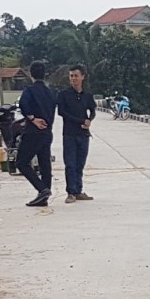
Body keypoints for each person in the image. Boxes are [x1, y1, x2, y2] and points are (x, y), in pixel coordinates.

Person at [16, 60, 56, 206]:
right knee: (45, 163)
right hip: (47, 132)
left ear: (30, 74)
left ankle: (42, 188)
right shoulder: (50, 92)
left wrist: (32, 118)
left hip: (33, 132)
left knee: (21, 162)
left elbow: (23, 105)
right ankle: (43, 196)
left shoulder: (30, 90)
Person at [56, 64, 96, 203]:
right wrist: (80, 121)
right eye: (71, 76)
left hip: (83, 135)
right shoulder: (64, 95)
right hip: (69, 134)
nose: (74, 79)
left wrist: (89, 120)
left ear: (82, 77)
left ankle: (79, 190)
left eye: (76, 76)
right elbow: (62, 112)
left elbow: (93, 110)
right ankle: (71, 192)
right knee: (70, 164)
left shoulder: (87, 95)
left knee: (80, 164)